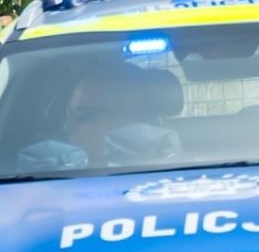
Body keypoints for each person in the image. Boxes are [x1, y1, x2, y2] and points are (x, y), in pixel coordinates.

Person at [20, 60, 182, 170]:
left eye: (82, 115)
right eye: (68, 113)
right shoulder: (48, 178)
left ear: (132, 117)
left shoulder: (179, 176)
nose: (67, 127)